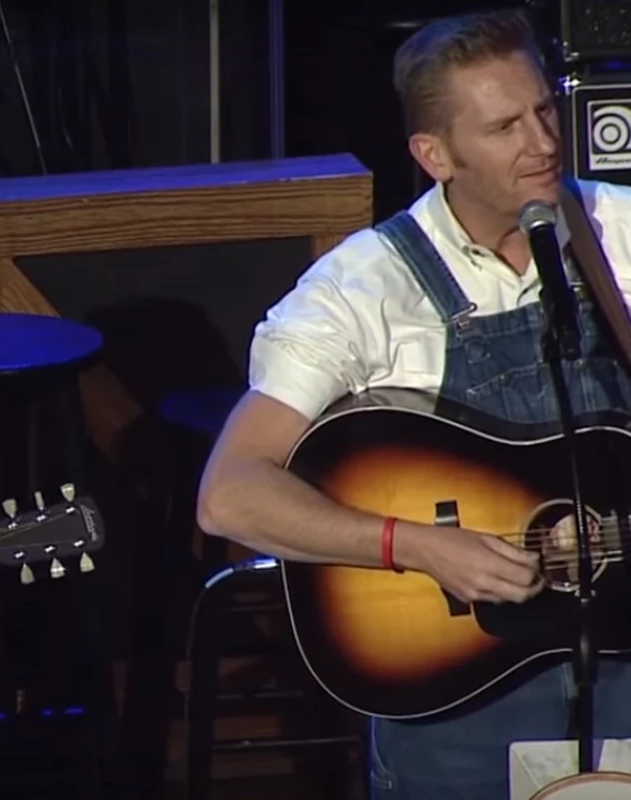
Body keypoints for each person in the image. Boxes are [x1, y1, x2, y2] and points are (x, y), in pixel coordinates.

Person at [197, 9, 631, 799]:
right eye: (505, 126)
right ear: (435, 155)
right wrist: (418, 546)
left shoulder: (618, 232)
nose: (542, 143)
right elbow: (231, 495)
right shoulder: (362, 289)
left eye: (543, 110)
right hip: (460, 692)